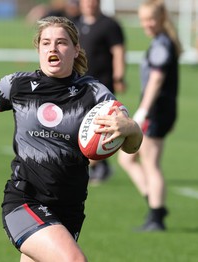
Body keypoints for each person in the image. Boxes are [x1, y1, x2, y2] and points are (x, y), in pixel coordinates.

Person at [0, 16, 142, 261]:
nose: (53, 48)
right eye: (46, 43)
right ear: (39, 48)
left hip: (69, 207)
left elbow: (132, 147)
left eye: (61, 42)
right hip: (25, 199)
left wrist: (131, 127)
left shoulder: (95, 94)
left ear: (76, 49)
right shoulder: (18, 84)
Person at [118, 0, 181, 232]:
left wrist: (143, 112)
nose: (147, 24)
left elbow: (156, 79)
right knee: (127, 159)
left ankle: (156, 216)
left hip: (155, 112)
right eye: (143, 20)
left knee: (150, 163)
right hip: (159, 111)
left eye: (151, 19)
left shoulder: (162, 44)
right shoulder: (162, 41)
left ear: (162, 18)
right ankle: (156, 205)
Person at [74, 0, 127, 184]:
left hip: (102, 85)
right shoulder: (76, 24)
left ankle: (98, 166)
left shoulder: (109, 25)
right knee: (81, 125)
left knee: (100, 126)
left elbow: (118, 51)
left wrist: (119, 76)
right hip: (80, 85)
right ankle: (99, 166)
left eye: (93, 1)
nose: (89, 4)